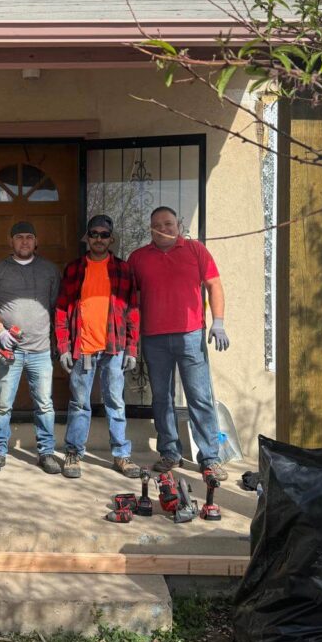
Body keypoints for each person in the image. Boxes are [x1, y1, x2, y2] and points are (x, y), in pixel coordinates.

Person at [127, 206, 230, 483]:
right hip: (154, 338)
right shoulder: (138, 258)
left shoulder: (196, 250)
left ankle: (209, 458)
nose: (164, 228)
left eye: (169, 223)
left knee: (200, 397)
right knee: (161, 399)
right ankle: (170, 452)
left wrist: (217, 321)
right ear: (150, 228)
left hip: (190, 336)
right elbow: (128, 299)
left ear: (179, 224)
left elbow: (214, 285)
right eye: (157, 224)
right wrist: (130, 338)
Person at [54, 214, 141, 479]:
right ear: (87, 238)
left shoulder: (123, 269)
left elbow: (133, 312)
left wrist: (132, 349)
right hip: (83, 349)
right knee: (80, 404)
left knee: (115, 402)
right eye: (94, 234)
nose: (99, 239)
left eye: (104, 235)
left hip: (114, 349)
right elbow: (60, 310)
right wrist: (63, 347)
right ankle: (73, 453)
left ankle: (121, 455)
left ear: (111, 238)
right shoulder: (74, 269)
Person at [0, 221, 62, 475]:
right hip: (9, 352)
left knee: (45, 405)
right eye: (19, 237)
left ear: (36, 242)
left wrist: (57, 342)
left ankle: (46, 453)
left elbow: (56, 308)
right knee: (2, 405)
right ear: (11, 241)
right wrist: (1, 332)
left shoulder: (49, 270)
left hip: (40, 351)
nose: (24, 241)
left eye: (29, 237)